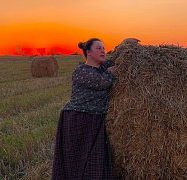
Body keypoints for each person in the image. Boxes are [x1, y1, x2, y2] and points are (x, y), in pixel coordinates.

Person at [52, 37, 140, 180]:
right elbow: (103, 82)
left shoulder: (102, 68)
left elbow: (116, 58)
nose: (103, 51)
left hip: (95, 120)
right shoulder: (81, 71)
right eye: (98, 48)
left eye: (104, 48)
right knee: (76, 163)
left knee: (95, 161)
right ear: (88, 52)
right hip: (77, 120)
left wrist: (125, 44)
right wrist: (111, 73)